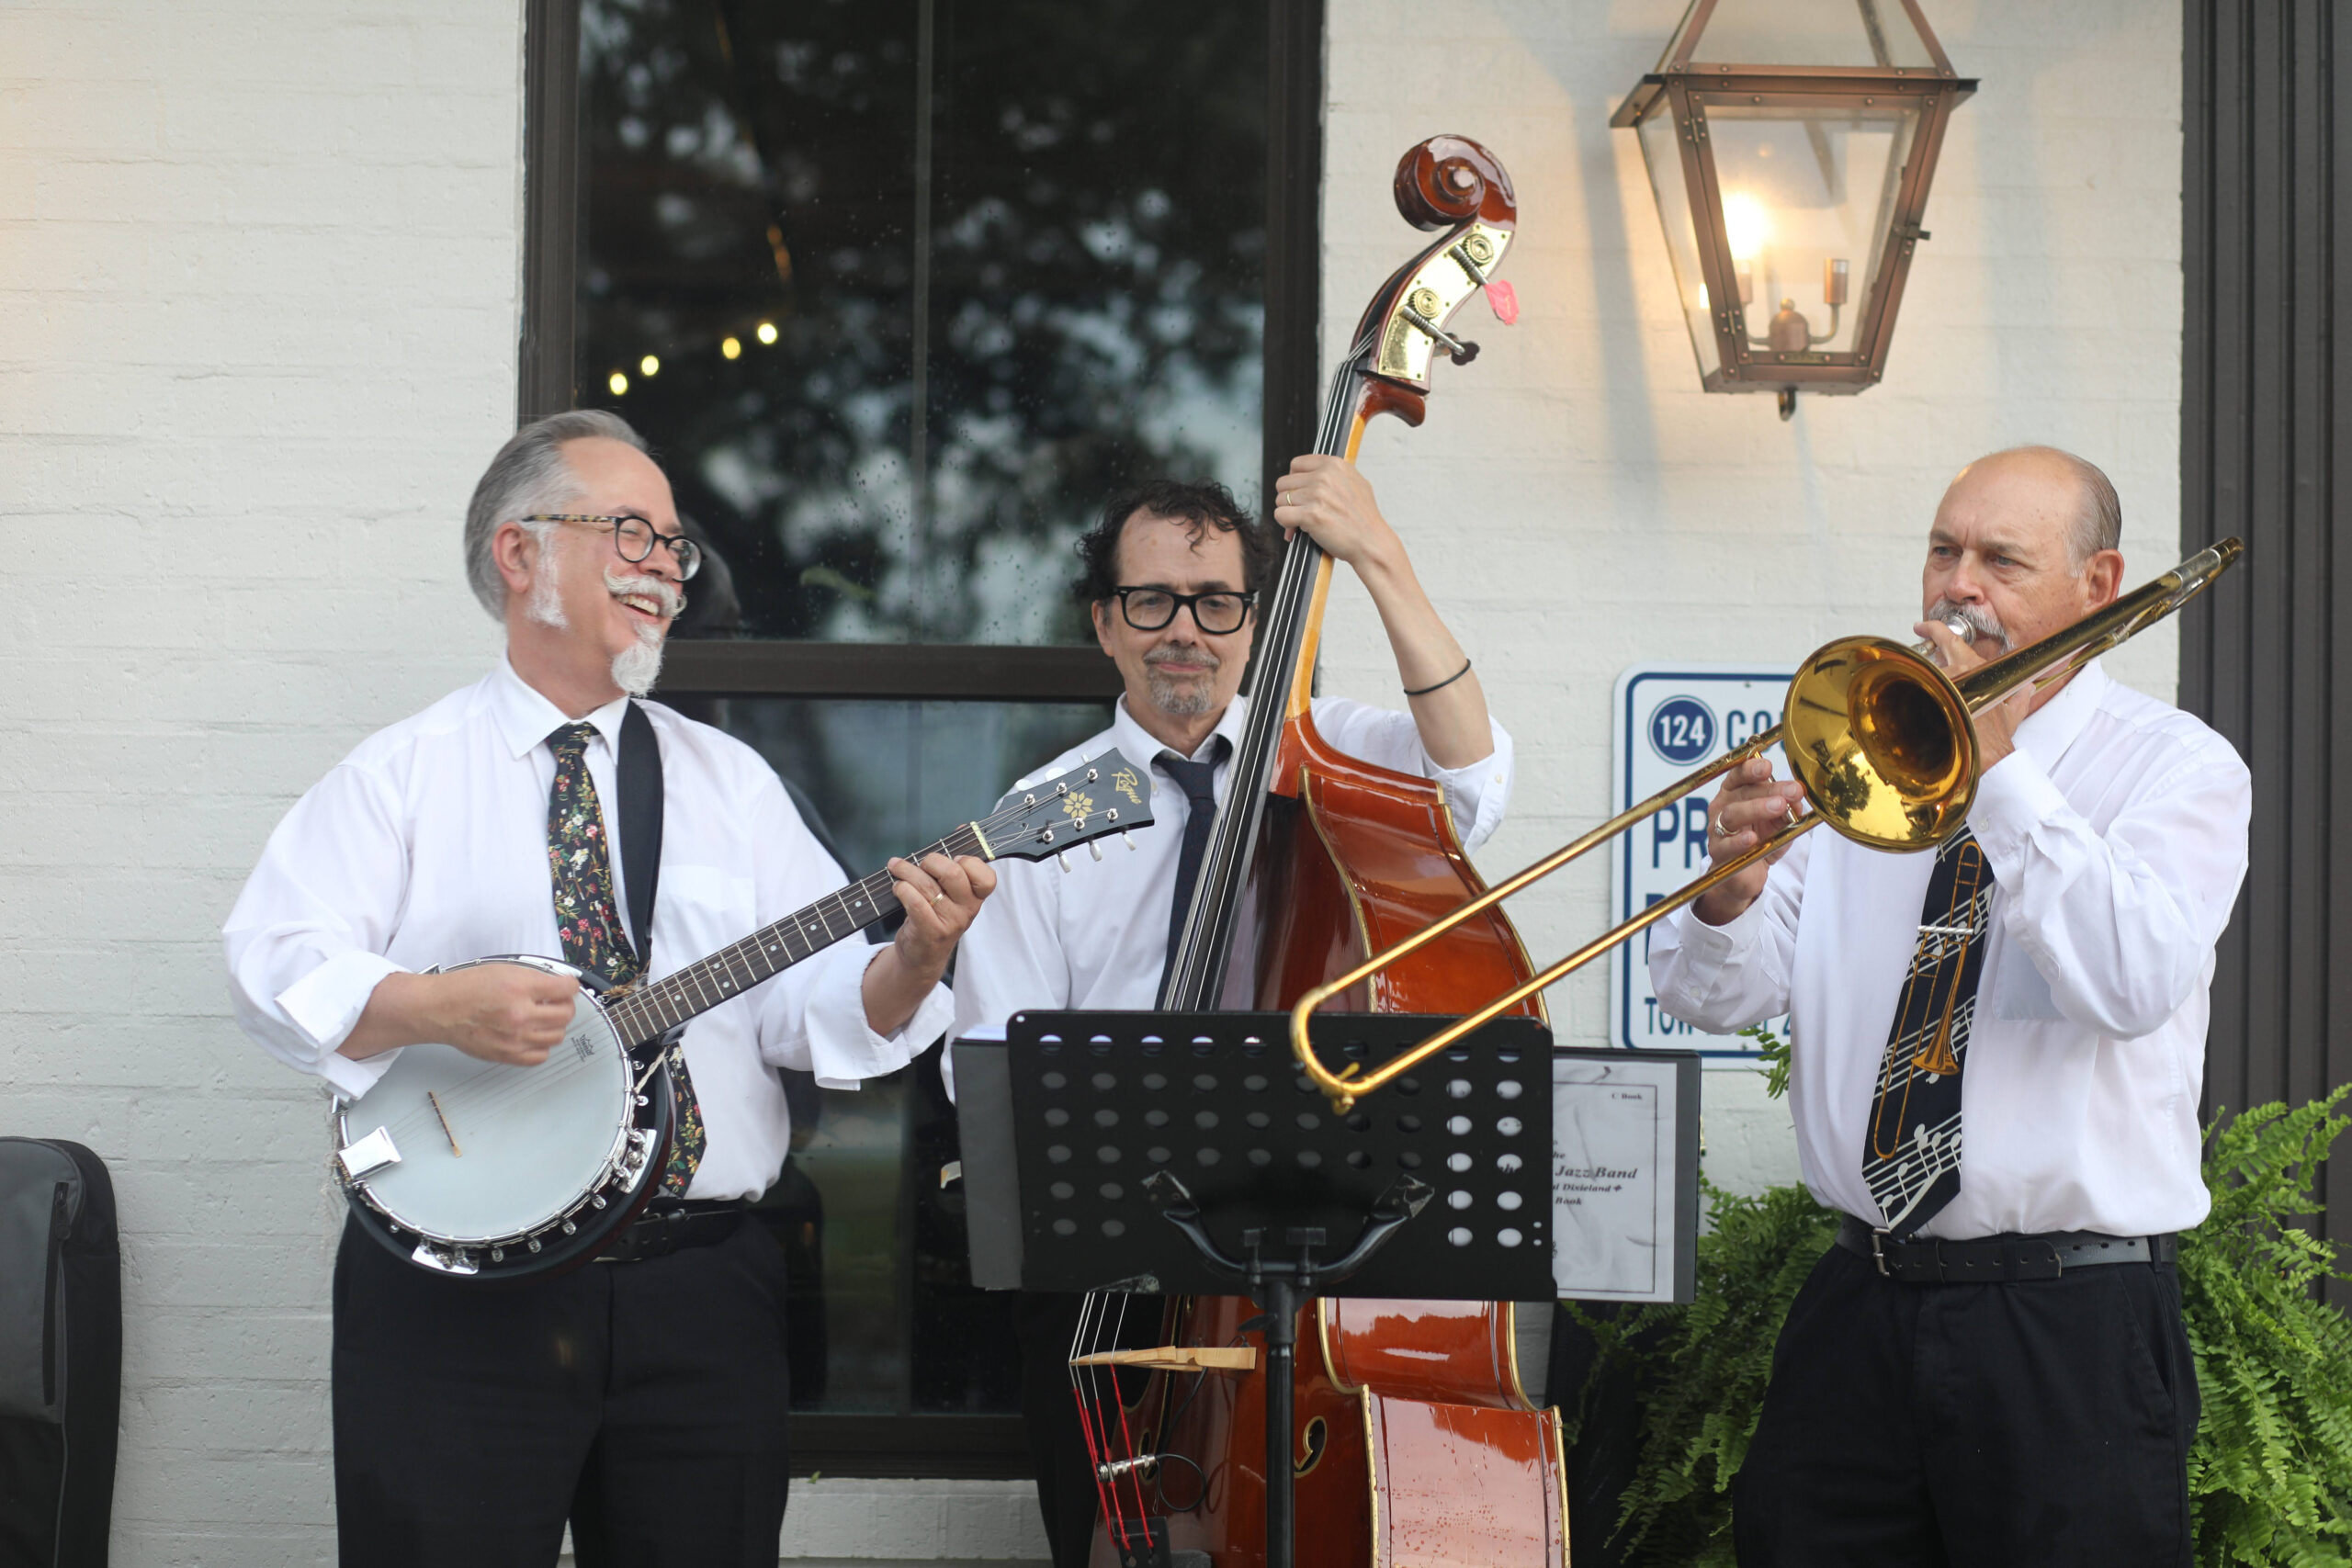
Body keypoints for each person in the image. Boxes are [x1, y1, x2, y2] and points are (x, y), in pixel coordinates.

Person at [222, 409, 996, 1568]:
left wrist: (915, 961)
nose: (666, 567)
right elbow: (271, 963)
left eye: (675, 545)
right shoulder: (402, 775)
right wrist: (437, 1009)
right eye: (631, 532)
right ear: (518, 553)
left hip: (701, 1294)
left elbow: (814, 1009)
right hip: (459, 1302)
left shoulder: (731, 782)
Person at [1650, 446, 2250, 1566]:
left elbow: (2127, 984)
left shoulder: (2177, 768)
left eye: (2000, 560)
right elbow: (1712, 997)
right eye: (1942, 550)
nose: (1956, 585)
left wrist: (2000, 775)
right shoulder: (1868, 758)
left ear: (2097, 584)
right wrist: (1726, 896)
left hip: (2067, 1328)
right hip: (1859, 1303)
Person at [949, 457, 1515, 1567]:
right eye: (1151, 601)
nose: (1185, 631)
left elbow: (1475, 784)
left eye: (1216, 603)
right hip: (1109, 1287)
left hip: (1311, 1266)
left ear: (1256, 622)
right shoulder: (1038, 813)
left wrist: (1379, 556)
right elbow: (990, 1065)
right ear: (1104, 623)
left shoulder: (1332, 758)